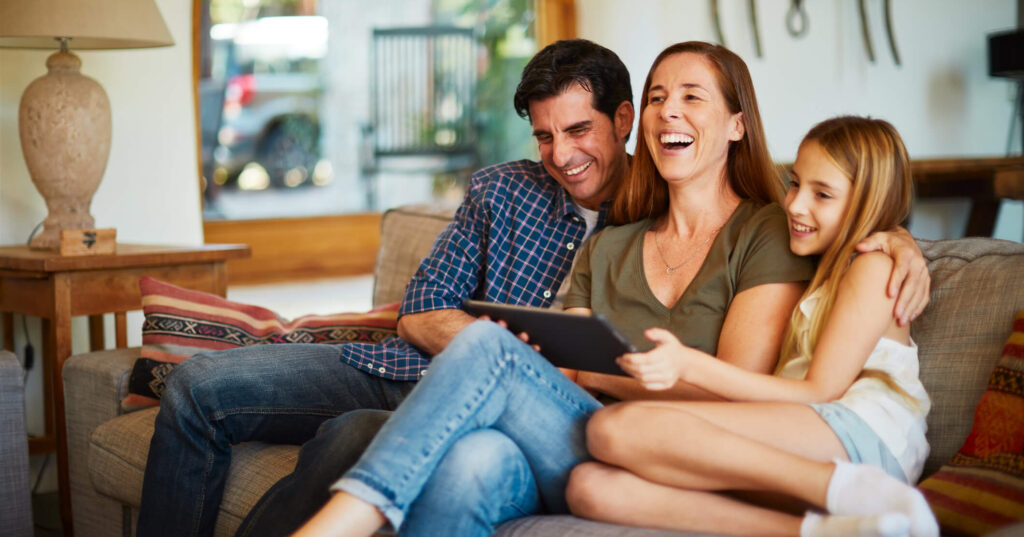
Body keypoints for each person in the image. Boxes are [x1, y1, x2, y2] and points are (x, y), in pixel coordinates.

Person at [140, 40, 926, 537]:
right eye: (660, 95)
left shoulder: (768, 227)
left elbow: (841, 203)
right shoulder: (608, 236)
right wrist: (561, 362)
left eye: (690, 97)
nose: (667, 111)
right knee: (467, 455)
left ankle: (347, 516)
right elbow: (539, 351)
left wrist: (894, 237)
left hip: (622, 430)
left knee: (466, 398)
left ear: (735, 124)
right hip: (547, 414)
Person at [565, 115, 937, 537]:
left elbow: (819, 391)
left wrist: (689, 365)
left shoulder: (874, 266)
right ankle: (824, 531)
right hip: (811, 433)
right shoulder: (818, 262)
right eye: (795, 183)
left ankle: (857, 491)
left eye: (823, 194)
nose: (795, 204)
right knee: (590, 488)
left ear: (866, 204)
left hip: (865, 436)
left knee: (615, 429)